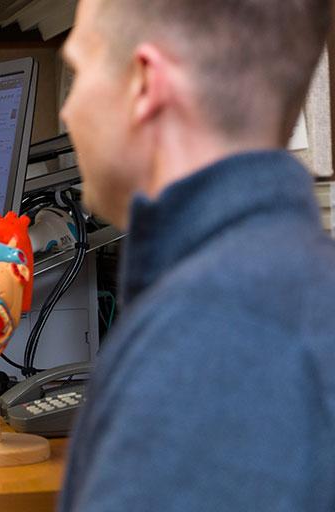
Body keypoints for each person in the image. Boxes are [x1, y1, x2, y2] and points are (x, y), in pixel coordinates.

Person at [57, 0, 335, 510]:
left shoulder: (207, 343)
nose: (67, 110)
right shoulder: (301, 287)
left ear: (145, 84)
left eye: (78, 69)